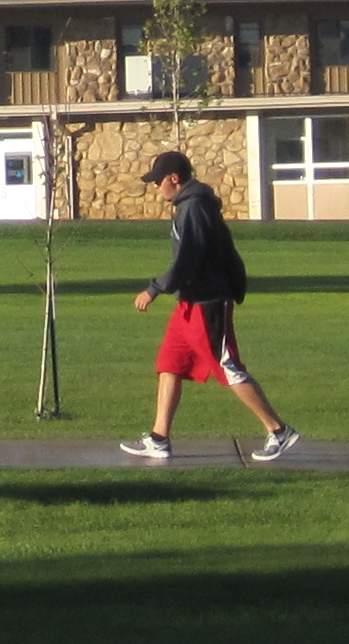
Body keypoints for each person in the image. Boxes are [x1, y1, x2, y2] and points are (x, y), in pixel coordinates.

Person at [122, 149, 300, 464]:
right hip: (189, 303)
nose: (154, 187)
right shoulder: (187, 205)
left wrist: (154, 289)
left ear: (173, 179)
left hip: (208, 303)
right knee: (170, 362)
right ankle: (159, 438)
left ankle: (279, 430)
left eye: (157, 181)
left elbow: (189, 258)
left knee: (228, 368)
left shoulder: (194, 207)